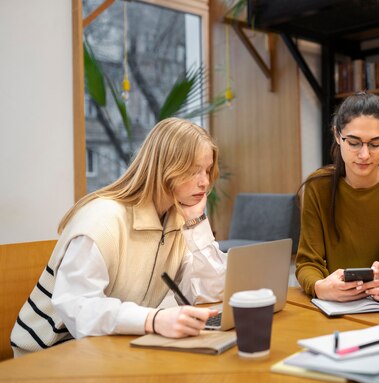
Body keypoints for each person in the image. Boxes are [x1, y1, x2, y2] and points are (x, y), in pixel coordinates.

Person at [10, 118, 227, 356]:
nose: (205, 181)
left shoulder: (175, 219)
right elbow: (79, 308)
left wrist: (196, 222)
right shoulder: (103, 219)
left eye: (207, 170)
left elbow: (210, 290)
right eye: (194, 170)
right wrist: (153, 320)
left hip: (110, 345)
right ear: (164, 167)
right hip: (50, 352)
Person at [296, 92, 379, 302]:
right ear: (338, 136)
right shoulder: (318, 185)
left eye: (375, 144)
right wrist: (321, 287)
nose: (365, 154)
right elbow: (307, 263)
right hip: (334, 309)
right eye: (354, 143)